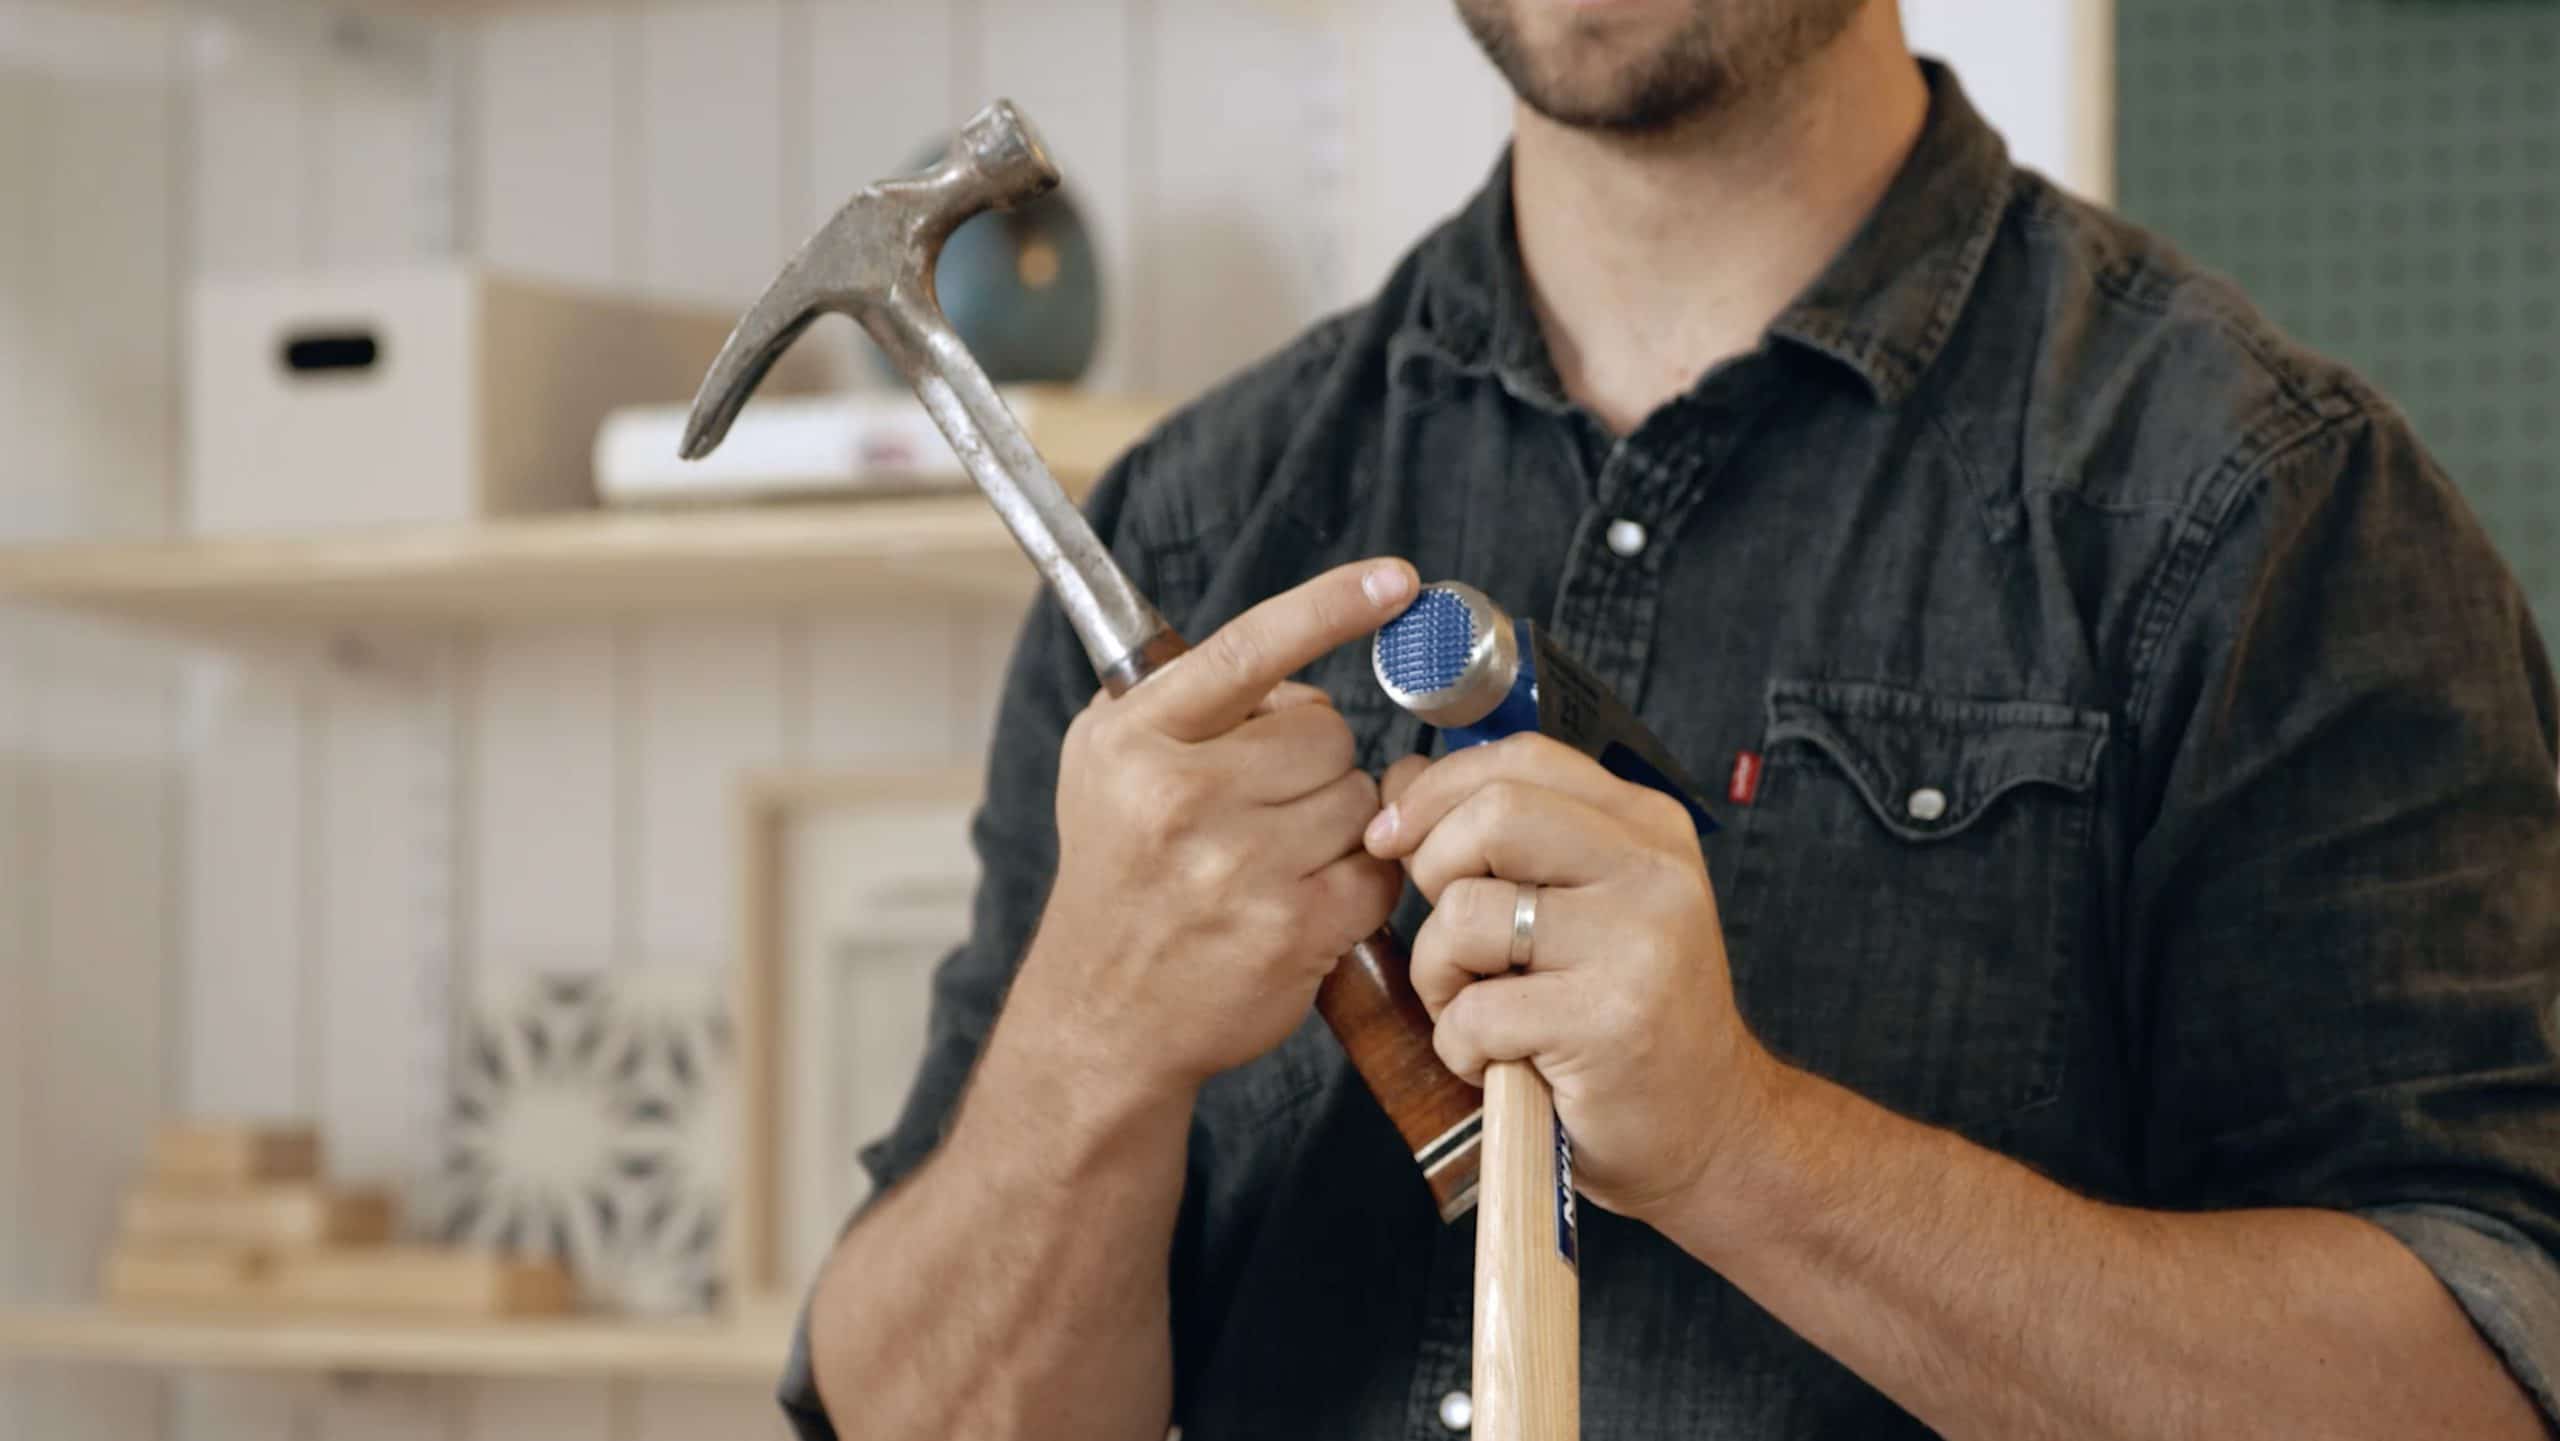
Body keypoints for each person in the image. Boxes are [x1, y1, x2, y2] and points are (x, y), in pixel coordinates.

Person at [781, 2, 2560, 1435]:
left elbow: (2483, 1379)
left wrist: (1751, 1153)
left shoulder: (2266, 515)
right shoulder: (1189, 530)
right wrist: (1092, 1048)